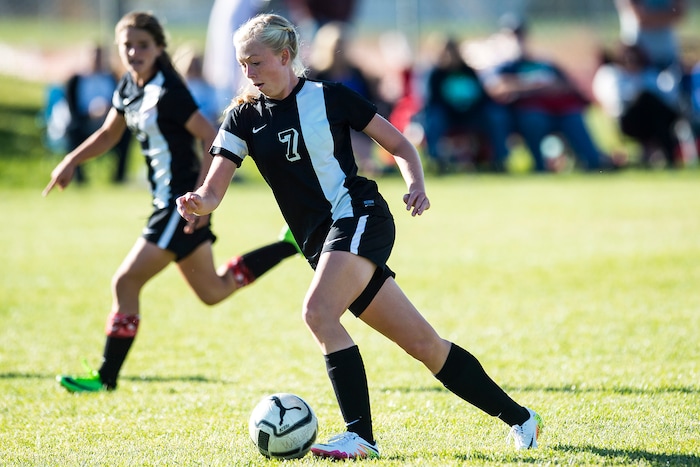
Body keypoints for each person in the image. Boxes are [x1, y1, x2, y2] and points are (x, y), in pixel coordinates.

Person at [177, 13, 543, 459]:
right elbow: (214, 190)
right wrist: (198, 201)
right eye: (242, 65)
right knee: (426, 346)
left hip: (359, 216)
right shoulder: (240, 119)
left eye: (255, 62)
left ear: (285, 56)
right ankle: (522, 418)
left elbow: (401, 145)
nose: (248, 74)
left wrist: (415, 183)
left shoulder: (329, 97)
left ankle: (360, 437)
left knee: (317, 312)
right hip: (322, 243)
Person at [43, 11, 299, 393]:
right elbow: (109, 134)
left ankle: (105, 377)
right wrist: (70, 160)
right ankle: (286, 246)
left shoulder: (169, 92)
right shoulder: (129, 87)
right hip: (173, 206)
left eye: (142, 45)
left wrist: (201, 195)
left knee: (125, 282)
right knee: (213, 291)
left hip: (177, 204)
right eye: (127, 45)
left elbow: (212, 137)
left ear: (159, 47)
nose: (134, 52)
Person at [481, 15, 614, 172]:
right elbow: (497, 90)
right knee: (533, 119)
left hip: (558, 111)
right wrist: (533, 86)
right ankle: (539, 166)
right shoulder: (502, 67)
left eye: (520, 35)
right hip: (524, 115)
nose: (517, 40)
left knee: (573, 116)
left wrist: (529, 86)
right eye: (512, 35)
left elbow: (566, 86)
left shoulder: (543, 63)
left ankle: (594, 162)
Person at [421, 35, 510, 172]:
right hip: (448, 116)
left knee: (496, 116)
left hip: (472, 115)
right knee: (434, 119)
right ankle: (435, 161)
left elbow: (482, 97)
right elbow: (432, 101)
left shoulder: (469, 72)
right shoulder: (436, 74)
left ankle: (499, 160)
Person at [308, 21, 385, 175]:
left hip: (361, 125)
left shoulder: (358, 74)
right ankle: (368, 164)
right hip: (328, 127)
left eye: (343, 45)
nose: (340, 50)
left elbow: (372, 102)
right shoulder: (317, 76)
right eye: (336, 45)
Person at [593, 43, 684, 167]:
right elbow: (614, 101)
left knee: (655, 107)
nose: (631, 62)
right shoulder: (614, 76)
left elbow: (668, 97)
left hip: (655, 119)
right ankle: (669, 155)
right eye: (627, 59)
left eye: (634, 59)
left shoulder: (649, 74)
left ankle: (668, 156)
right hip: (629, 120)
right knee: (645, 97)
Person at [64, 44, 132, 183]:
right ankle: (78, 178)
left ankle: (119, 177)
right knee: (72, 131)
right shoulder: (75, 80)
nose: (97, 60)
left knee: (125, 132)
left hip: (109, 120)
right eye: (93, 56)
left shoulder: (112, 78)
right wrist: (90, 113)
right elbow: (72, 109)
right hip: (83, 122)